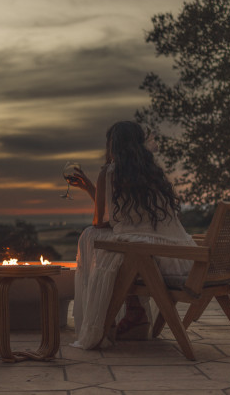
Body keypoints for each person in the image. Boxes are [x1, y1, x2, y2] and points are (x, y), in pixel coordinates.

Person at [68, 121, 196, 349]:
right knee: (127, 247)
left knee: (91, 237)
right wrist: (91, 187)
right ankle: (136, 312)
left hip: (148, 258)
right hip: (181, 259)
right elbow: (140, 221)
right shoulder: (155, 174)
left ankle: (111, 319)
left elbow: (98, 222)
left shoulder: (109, 173)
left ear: (113, 146)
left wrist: (91, 187)